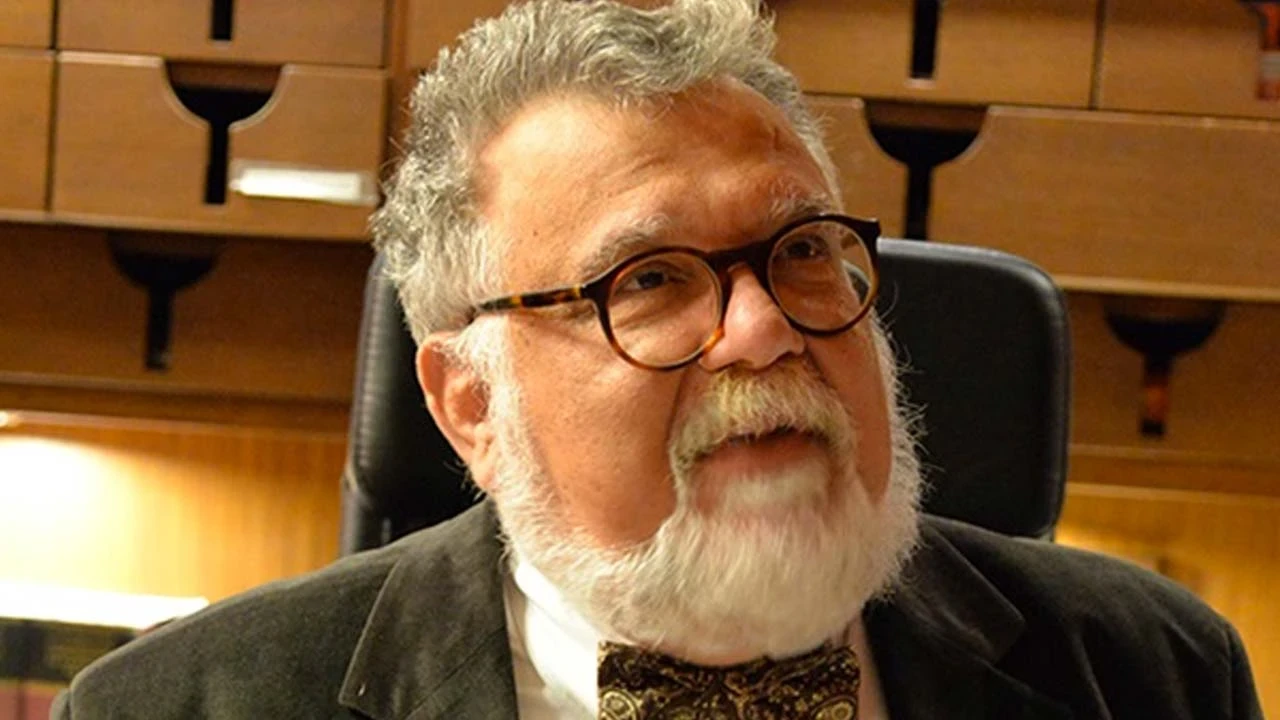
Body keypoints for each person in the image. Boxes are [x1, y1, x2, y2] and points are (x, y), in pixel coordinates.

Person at [54, 1, 1262, 718]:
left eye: (800, 251)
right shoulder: (178, 710)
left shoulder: (1149, 672)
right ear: (470, 405)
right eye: (647, 281)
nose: (762, 329)